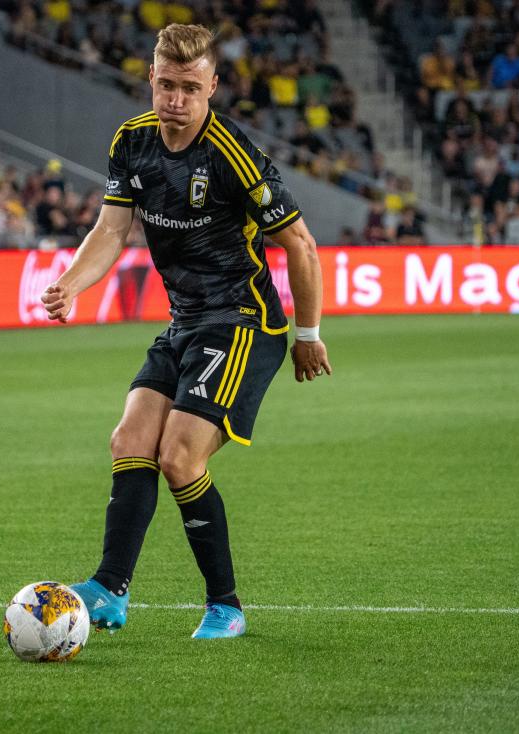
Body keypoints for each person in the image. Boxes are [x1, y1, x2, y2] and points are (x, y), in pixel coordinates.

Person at [40, 24, 331, 640]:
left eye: (189, 88)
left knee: (178, 455)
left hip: (243, 323)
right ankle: (110, 590)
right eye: (166, 85)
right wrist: (71, 283)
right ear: (152, 79)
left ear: (212, 87)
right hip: (184, 323)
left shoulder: (234, 155)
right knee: (129, 440)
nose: (175, 99)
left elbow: (301, 246)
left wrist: (308, 334)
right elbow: (114, 230)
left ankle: (225, 605)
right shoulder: (132, 142)